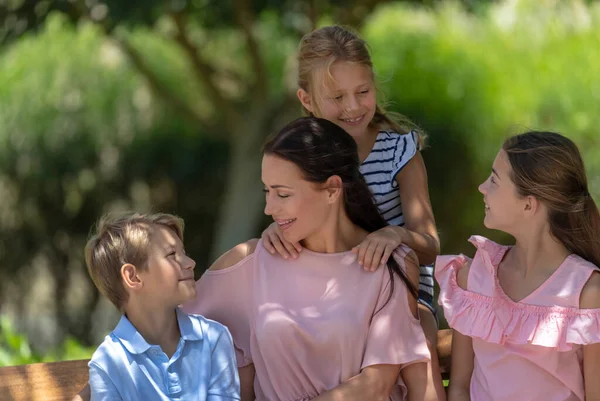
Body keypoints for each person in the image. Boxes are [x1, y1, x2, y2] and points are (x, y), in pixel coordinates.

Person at [185, 117, 439, 401]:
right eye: (267, 192)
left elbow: (375, 385)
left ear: (332, 189)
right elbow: (167, 328)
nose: (269, 208)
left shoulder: (389, 264)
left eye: (282, 194)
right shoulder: (252, 262)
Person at [260, 26, 442, 390]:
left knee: (418, 329)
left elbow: (431, 248)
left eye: (363, 92)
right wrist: (275, 228)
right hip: (326, 292)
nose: (353, 107)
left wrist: (396, 235)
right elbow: (283, 204)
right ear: (307, 100)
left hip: (399, 290)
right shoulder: (298, 156)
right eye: (337, 97)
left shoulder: (398, 152)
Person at [435, 131, 600, 401]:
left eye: (494, 180)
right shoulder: (474, 278)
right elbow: (459, 387)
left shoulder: (586, 293)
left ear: (528, 205)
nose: (482, 187)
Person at [83, 212, 240, 400]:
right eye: (172, 254)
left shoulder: (213, 339)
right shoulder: (108, 363)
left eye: (184, 253)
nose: (191, 263)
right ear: (132, 277)